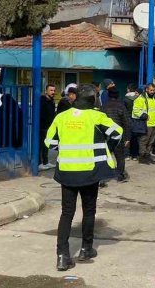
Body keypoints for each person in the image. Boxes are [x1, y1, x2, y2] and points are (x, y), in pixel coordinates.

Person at [45, 84, 123, 271]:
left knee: (67, 213)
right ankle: (86, 249)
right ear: (93, 100)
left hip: (66, 172)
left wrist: (66, 148)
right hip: (89, 172)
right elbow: (117, 133)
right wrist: (107, 148)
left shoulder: (61, 117)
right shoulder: (97, 116)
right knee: (89, 211)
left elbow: (50, 142)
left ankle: (62, 256)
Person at [102, 85, 132, 181]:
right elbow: (127, 123)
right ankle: (120, 175)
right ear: (118, 95)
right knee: (120, 156)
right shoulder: (121, 107)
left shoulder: (103, 107)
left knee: (105, 155)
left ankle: (103, 176)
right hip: (118, 135)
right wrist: (127, 138)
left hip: (106, 135)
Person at [132, 83, 155, 164]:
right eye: (151, 90)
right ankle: (142, 157)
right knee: (144, 141)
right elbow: (135, 110)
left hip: (154, 123)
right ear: (146, 89)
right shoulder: (141, 99)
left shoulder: (154, 97)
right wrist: (144, 115)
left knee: (151, 141)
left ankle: (147, 155)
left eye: (154, 90)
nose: (152, 92)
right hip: (146, 124)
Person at [38, 84, 57, 170]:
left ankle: (45, 162)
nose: (53, 92)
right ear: (46, 91)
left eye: (54, 90)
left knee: (46, 145)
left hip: (48, 126)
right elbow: (42, 114)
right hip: (42, 126)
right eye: (51, 90)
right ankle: (39, 163)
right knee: (41, 145)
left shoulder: (51, 101)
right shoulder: (42, 100)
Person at [124, 84, 140, 159]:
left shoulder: (125, 99)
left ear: (128, 89)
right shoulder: (138, 98)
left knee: (127, 137)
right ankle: (135, 155)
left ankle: (127, 154)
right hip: (136, 119)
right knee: (135, 137)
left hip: (128, 119)